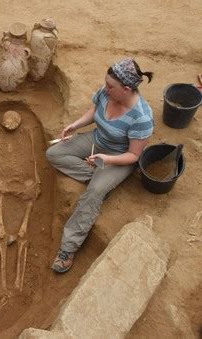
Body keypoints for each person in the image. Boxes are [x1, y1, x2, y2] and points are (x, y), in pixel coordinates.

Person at [46, 58, 154, 273]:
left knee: (93, 193)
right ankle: (99, 179)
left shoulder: (141, 118)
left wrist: (106, 160)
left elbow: (134, 155)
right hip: (97, 140)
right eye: (106, 84)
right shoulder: (107, 93)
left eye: (110, 87)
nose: (105, 89)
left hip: (119, 156)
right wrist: (75, 125)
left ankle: (68, 248)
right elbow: (93, 110)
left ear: (126, 89)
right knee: (54, 153)